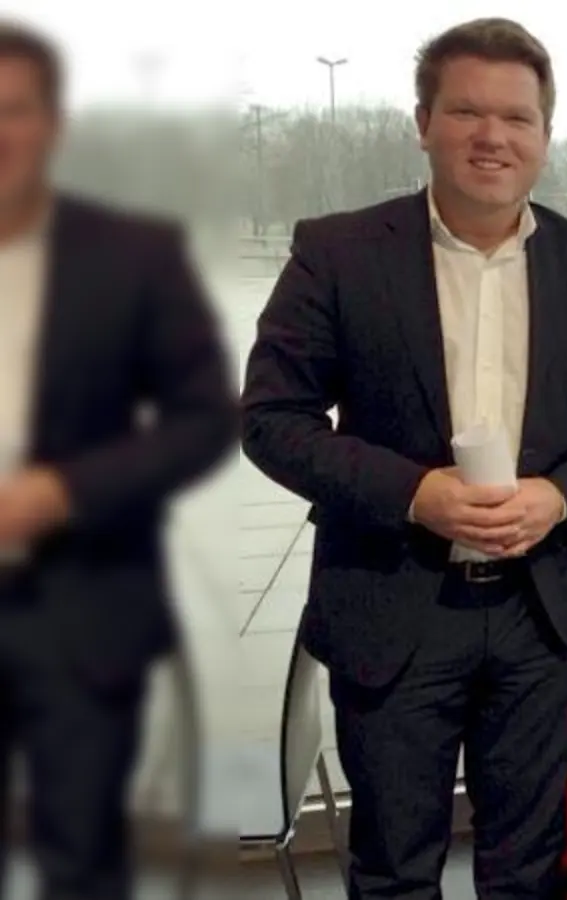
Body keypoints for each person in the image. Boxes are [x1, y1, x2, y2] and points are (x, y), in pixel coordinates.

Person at [240, 18, 567, 898]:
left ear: (545, 135)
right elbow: (273, 419)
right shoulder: (340, 252)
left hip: (535, 611)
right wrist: (413, 493)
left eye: (517, 117)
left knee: (527, 867)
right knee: (394, 867)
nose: (492, 136)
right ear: (423, 121)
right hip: (394, 604)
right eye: (467, 110)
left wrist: (559, 496)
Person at [0, 21, 236, 900]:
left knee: (84, 865)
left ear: (52, 124)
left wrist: (64, 491)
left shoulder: (131, 254)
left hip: (81, 609)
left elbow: (206, 417)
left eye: (14, 110)